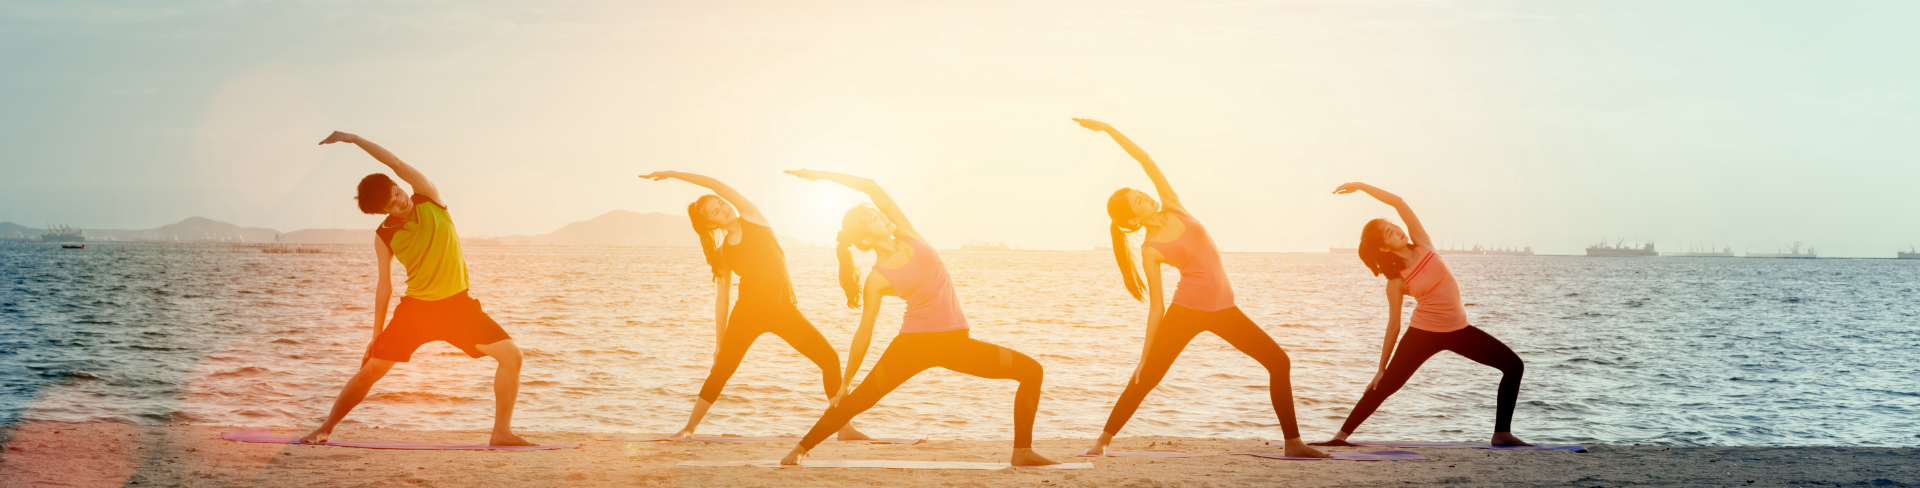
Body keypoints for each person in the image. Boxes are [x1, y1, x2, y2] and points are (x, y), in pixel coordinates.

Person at [1074, 118, 1327, 458]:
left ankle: (1293, 444)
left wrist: (1107, 129)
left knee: (1278, 362)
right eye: (1138, 201)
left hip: (1225, 310)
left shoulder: (1173, 204)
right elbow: (1157, 307)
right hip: (1186, 313)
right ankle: (1102, 442)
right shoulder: (1150, 249)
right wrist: (1143, 356)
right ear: (1132, 220)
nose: (1146, 197)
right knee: (1146, 377)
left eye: (1140, 193)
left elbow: (1145, 159)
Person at [775, 169, 1058, 467]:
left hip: (955, 343)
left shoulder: (908, 233)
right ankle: (799, 450)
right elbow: (864, 333)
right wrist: (845, 382)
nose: (881, 215)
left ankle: (1022, 451)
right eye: (872, 217)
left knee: (1031, 371)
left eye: (875, 212)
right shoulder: (877, 277)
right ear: (868, 237)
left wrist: (820, 175)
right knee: (858, 400)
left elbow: (871, 186)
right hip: (912, 346)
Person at [299, 131, 532, 446]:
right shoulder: (384, 236)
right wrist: (375, 335)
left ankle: (501, 432)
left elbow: (394, 161)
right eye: (393, 204)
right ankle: (326, 428)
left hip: (458, 307)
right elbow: (385, 286)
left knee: (511, 356)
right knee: (371, 370)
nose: (401, 200)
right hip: (417, 311)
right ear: (385, 212)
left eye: (397, 192)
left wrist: (353, 139)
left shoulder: (429, 197)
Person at [637, 171, 869, 441]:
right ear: (711, 224)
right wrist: (719, 342)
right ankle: (688, 429)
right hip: (747, 315)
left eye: (721, 203)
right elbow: (721, 299)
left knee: (829, 359)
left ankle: (843, 427)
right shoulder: (723, 253)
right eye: (714, 212)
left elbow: (715, 183)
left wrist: (672, 174)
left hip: (783, 310)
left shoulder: (753, 217)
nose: (722, 209)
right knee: (721, 371)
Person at [1311, 182, 1531, 447]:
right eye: (1388, 233)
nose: (1396, 230)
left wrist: (1360, 186)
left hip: (1459, 331)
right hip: (1423, 334)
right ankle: (1340, 437)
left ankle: (1501, 434)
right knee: (1387, 386)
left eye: (1393, 227)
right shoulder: (1396, 282)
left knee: (1513, 366)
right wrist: (1380, 369)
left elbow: (1399, 203)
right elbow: (1393, 326)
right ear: (1382, 248)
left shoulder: (1423, 245)